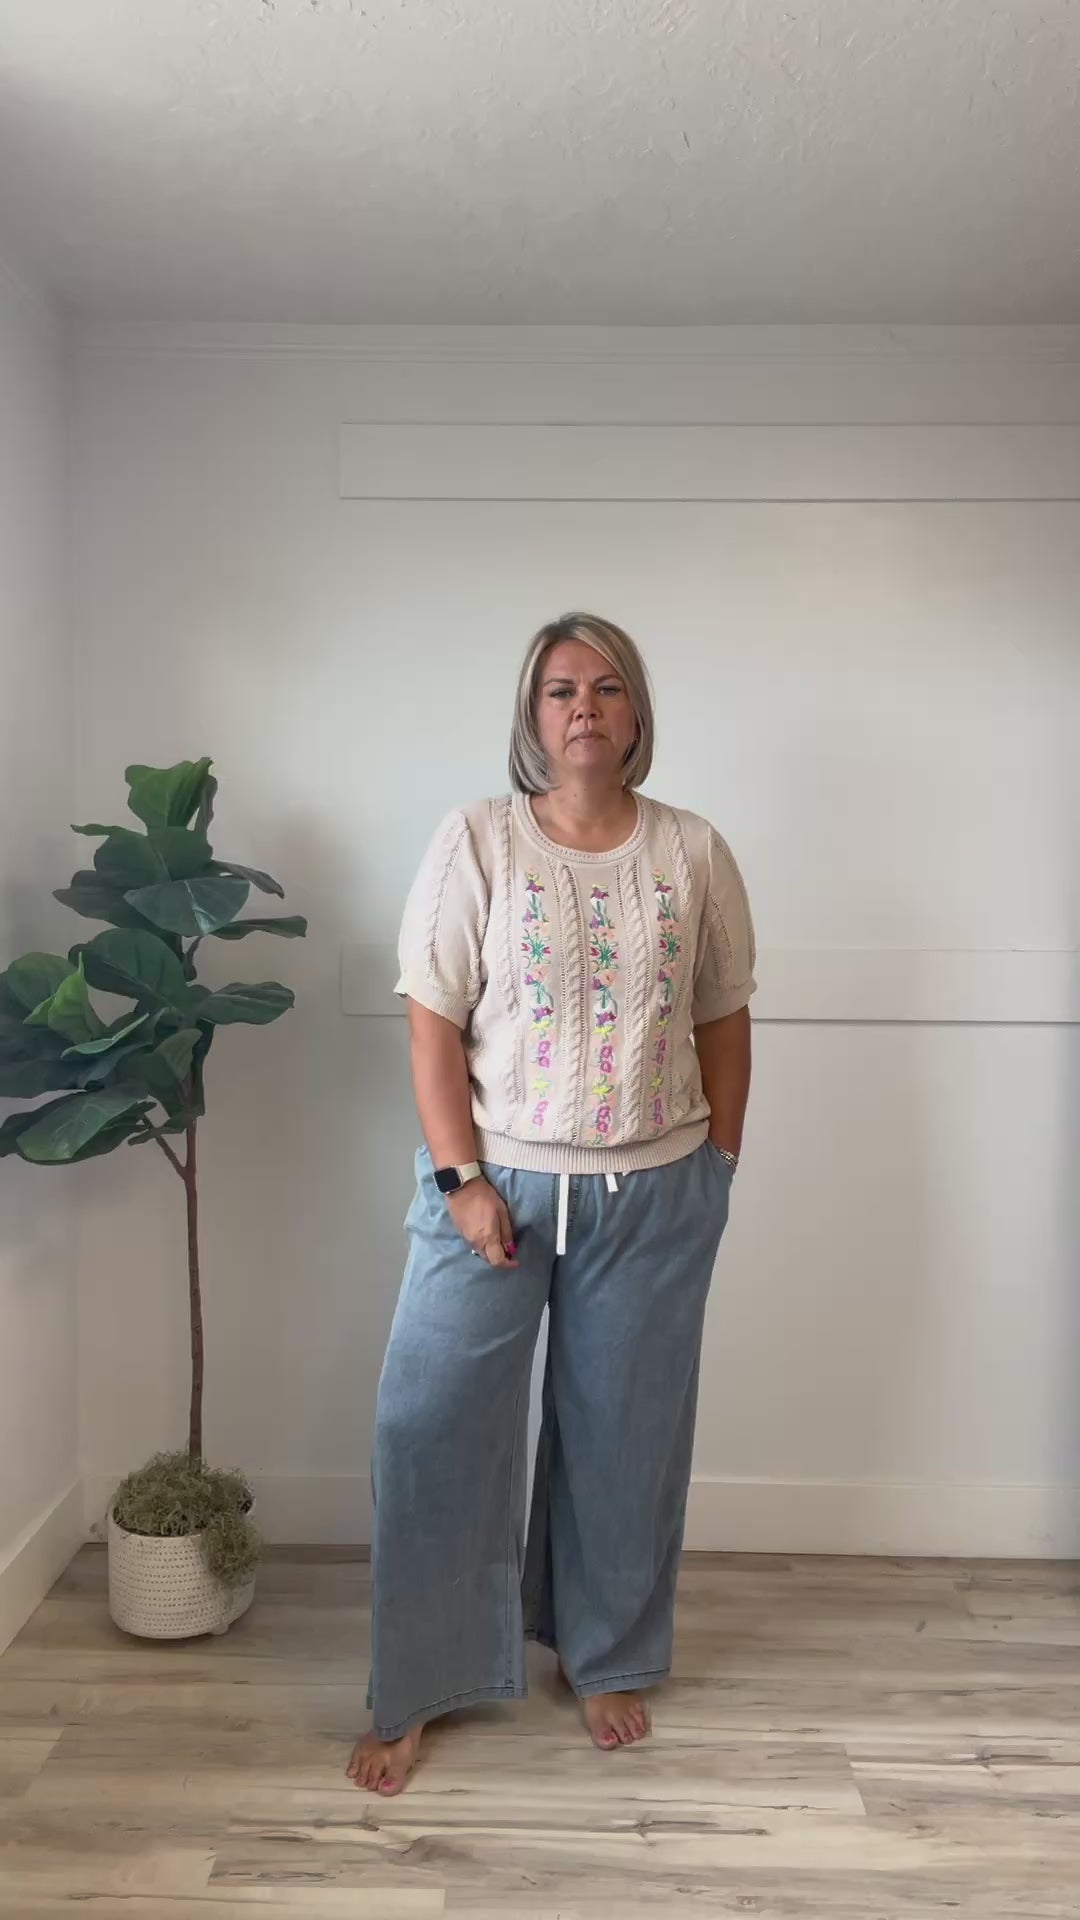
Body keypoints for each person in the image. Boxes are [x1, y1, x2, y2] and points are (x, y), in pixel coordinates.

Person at [347, 611, 756, 1797]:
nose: (585, 707)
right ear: (533, 717)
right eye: (562, 689)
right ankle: (420, 1680)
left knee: (627, 1440)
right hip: (497, 1189)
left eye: (608, 687)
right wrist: (461, 1179)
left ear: (636, 715)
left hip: (655, 1192)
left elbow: (724, 1013)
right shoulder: (477, 840)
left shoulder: (694, 850)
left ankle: (605, 1654)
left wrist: (718, 1164)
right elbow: (431, 1022)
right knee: (431, 1427)